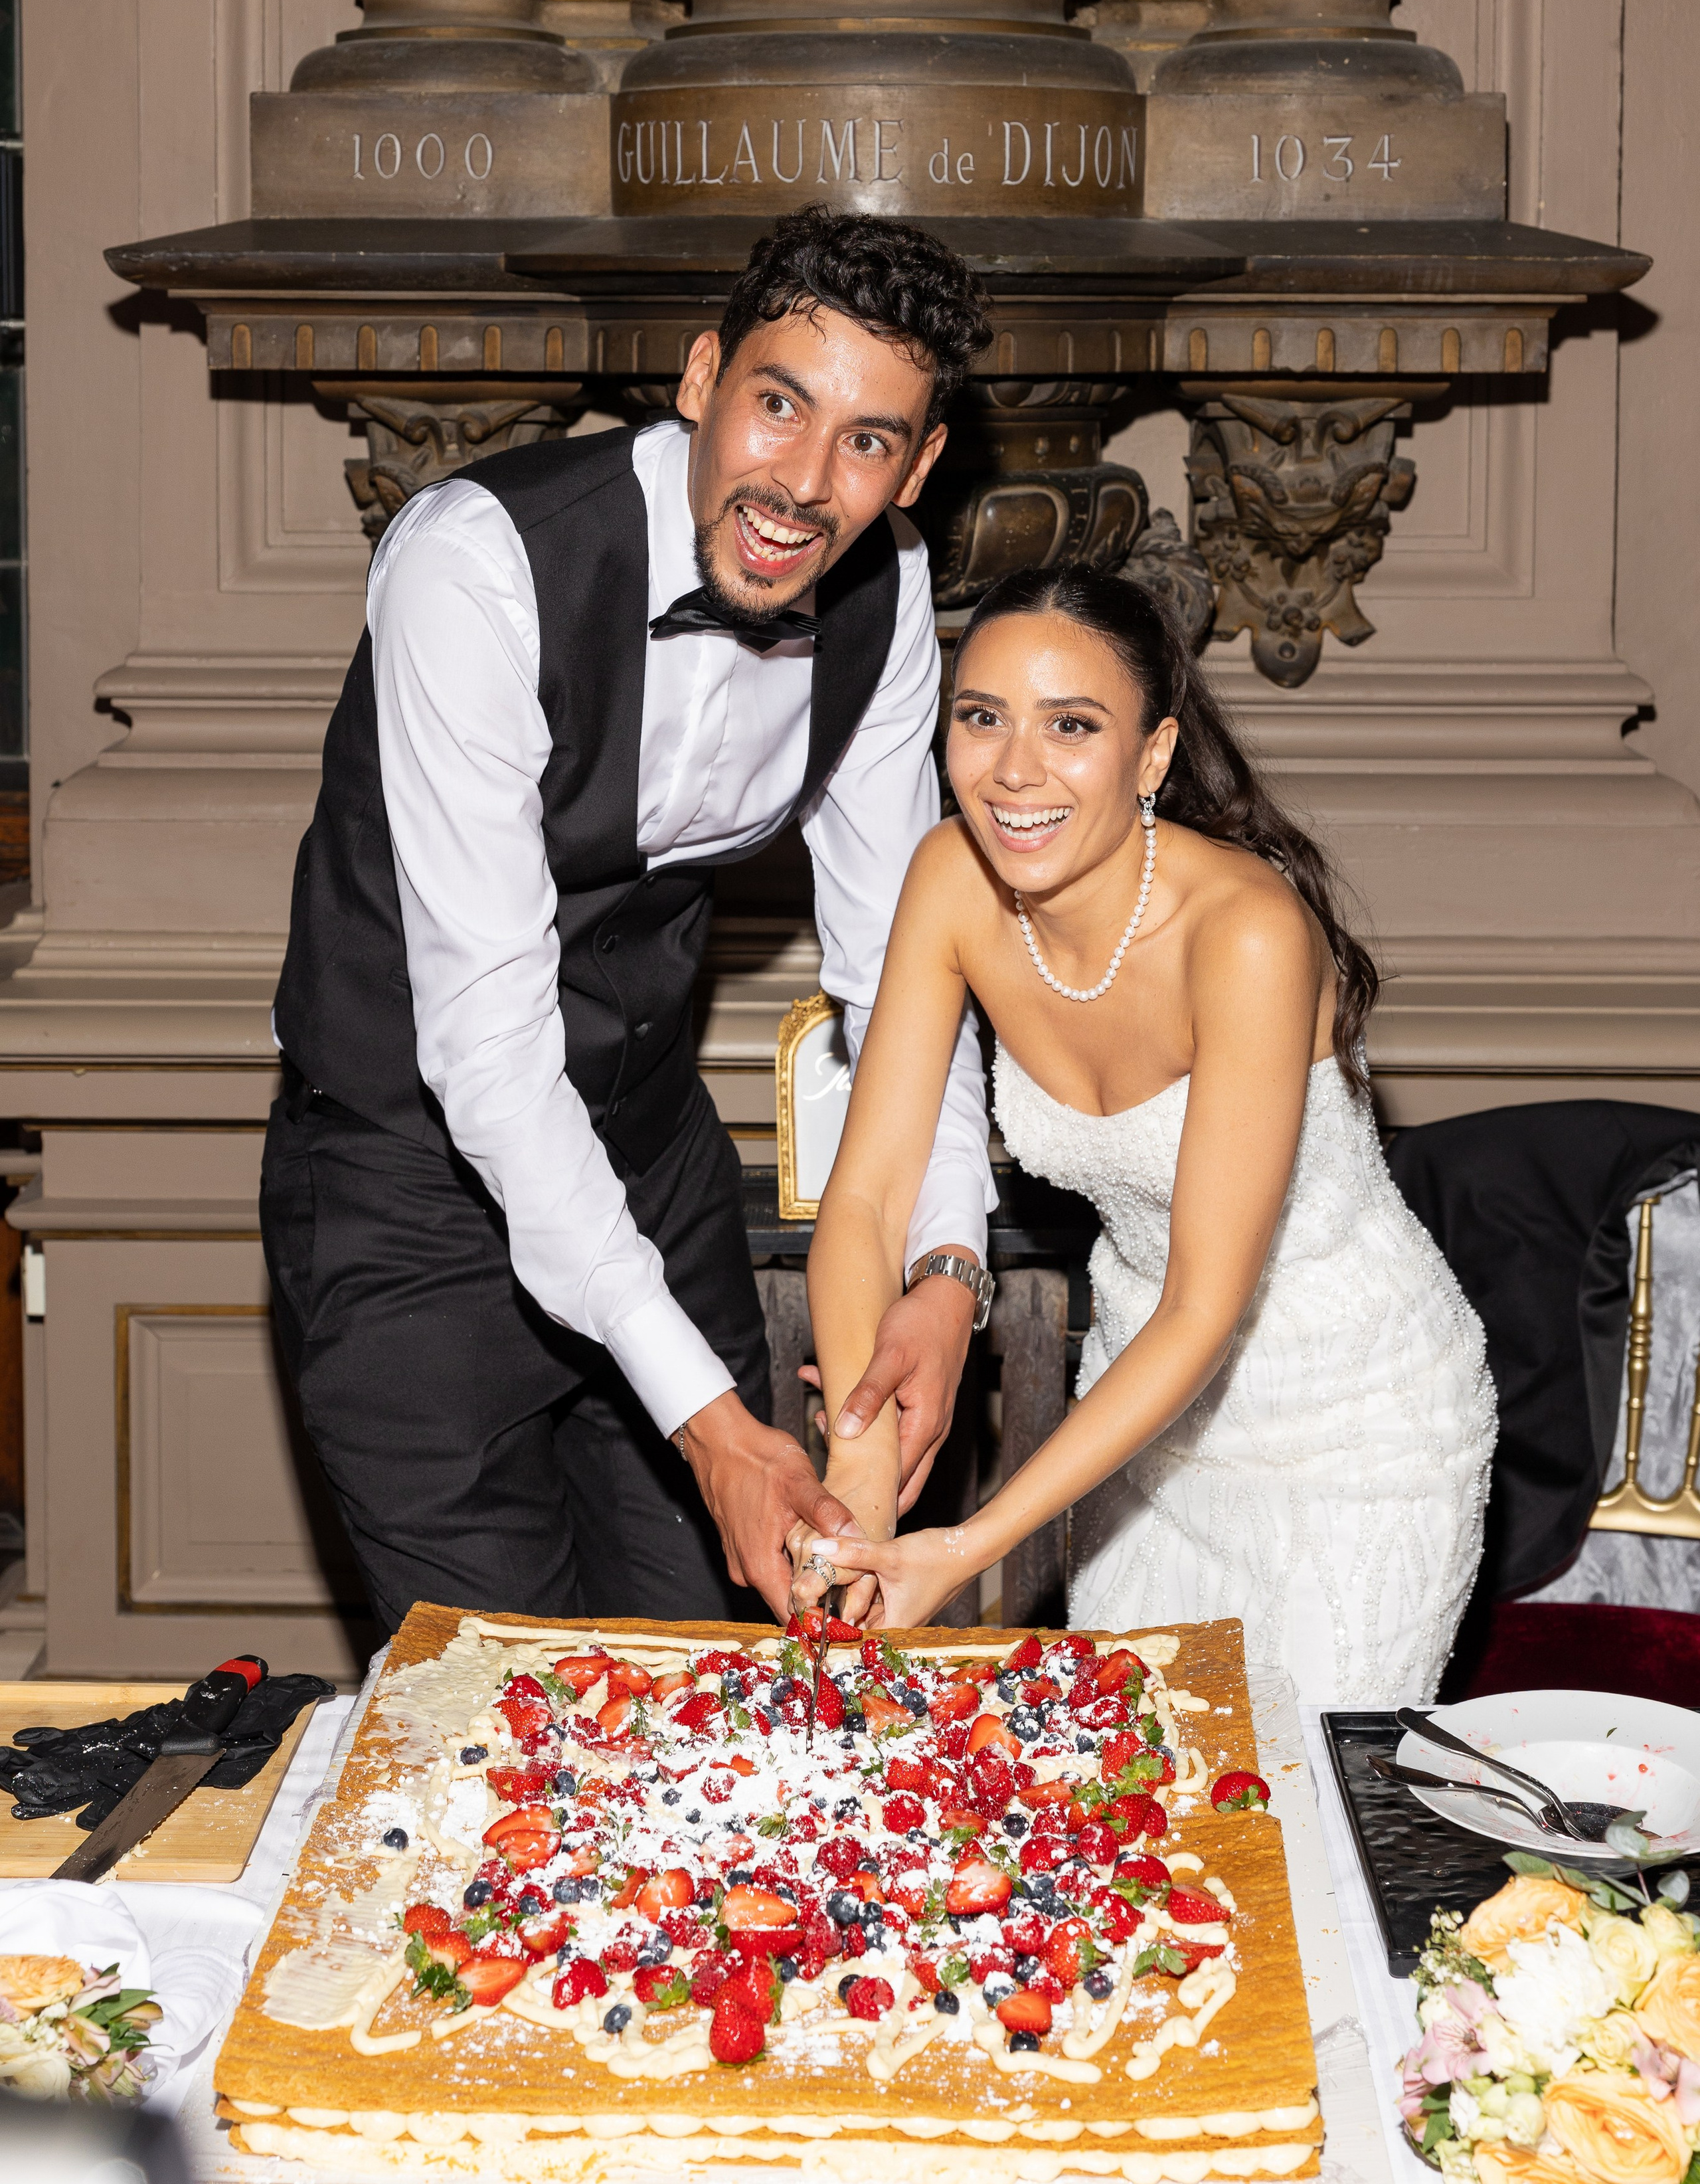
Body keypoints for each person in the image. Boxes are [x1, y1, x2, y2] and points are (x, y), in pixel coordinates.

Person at [260, 208, 999, 1635]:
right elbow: (488, 1053)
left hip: (651, 1160)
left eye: (865, 441)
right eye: (779, 405)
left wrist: (949, 1265)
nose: (803, 483)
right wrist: (712, 1429)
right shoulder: (476, 564)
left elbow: (901, 972)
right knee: (509, 1704)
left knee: (719, 1676)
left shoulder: (888, 592)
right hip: (408, 1187)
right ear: (701, 377)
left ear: (917, 468)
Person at [794, 563, 1495, 1708]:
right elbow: (868, 1200)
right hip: (1140, 1418)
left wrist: (968, 1548)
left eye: (1071, 725)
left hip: (1356, 1435)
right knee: (1124, 1789)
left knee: (1298, 1799)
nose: (1014, 769)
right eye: (982, 718)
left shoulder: (1247, 932)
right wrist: (860, 1484)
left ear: (1153, 755)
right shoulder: (949, 880)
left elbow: (1205, 1308)